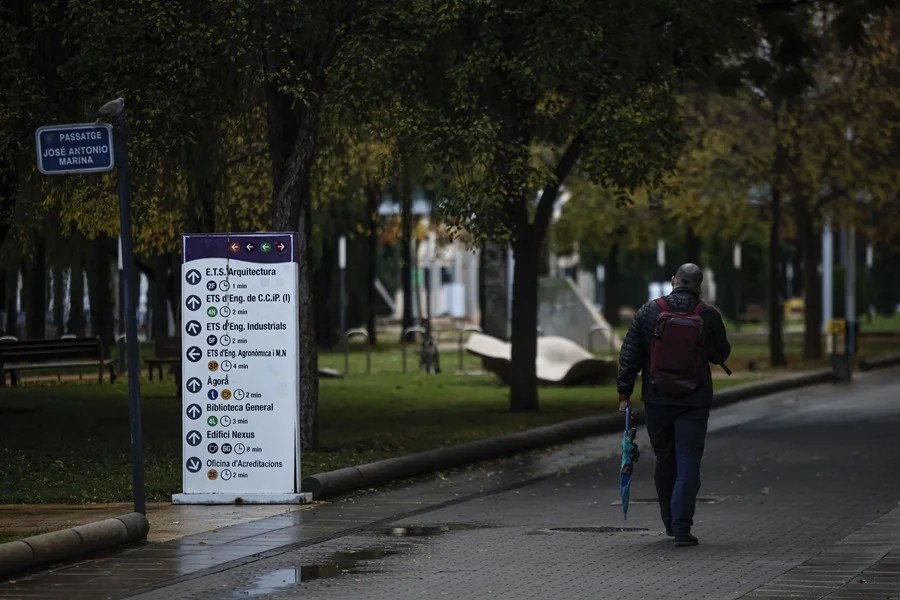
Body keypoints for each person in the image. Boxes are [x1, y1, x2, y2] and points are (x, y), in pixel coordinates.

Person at [616, 263, 731, 547]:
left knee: (665, 459)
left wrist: (624, 392)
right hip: (694, 400)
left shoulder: (649, 311)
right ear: (698, 286)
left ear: (673, 281)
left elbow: (629, 353)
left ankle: (668, 520)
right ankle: (682, 527)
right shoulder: (708, 315)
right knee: (689, 462)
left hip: (657, 398)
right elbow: (720, 354)